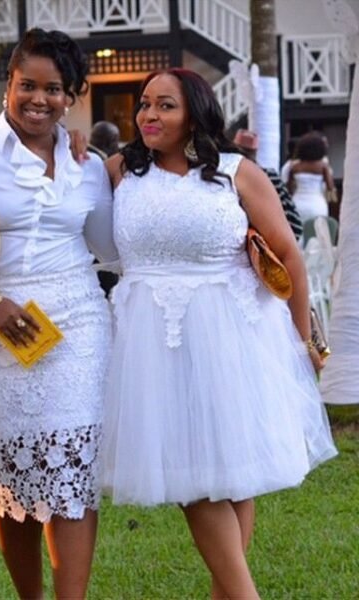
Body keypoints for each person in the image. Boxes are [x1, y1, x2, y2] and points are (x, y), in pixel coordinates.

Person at [102, 68, 337, 599]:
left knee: (232, 474)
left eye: (165, 105)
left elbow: (288, 257)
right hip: (152, 340)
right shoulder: (119, 170)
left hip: (234, 335)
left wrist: (303, 341)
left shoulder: (237, 173)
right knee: (195, 477)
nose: (149, 115)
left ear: (195, 114)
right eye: (144, 104)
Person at [0, 28, 117, 600]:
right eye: (27, 85)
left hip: (79, 327)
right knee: (11, 474)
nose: (39, 99)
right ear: (8, 85)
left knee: (73, 470)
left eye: (53, 89)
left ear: (71, 96)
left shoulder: (86, 165)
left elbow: (109, 246)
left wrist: (120, 170)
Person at [233, 128, 303, 241]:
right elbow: (295, 223)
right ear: (255, 152)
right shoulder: (270, 176)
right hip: (271, 243)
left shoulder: (229, 177)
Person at [287, 132, 337, 224]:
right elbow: (330, 187)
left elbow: (289, 189)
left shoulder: (294, 167)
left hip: (298, 205)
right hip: (317, 204)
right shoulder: (323, 166)